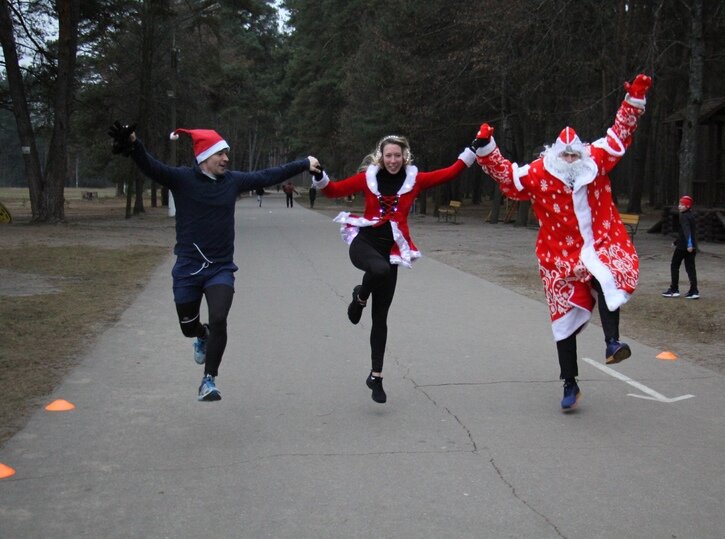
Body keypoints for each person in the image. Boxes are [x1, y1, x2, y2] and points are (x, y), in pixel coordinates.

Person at [472, 73, 652, 410]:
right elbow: (507, 176)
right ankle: (570, 383)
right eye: (565, 156)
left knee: (606, 275)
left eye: (574, 156)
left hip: (600, 241)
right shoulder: (539, 173)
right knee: (563, 320)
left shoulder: (596, 160)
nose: (570, 161)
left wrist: (634, 98)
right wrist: (486, 149)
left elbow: (621, 133)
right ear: (555, 155)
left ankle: (613, 342)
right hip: (557, 255)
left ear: (581, 153)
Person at [107, 121, 321, 401]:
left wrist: (303, 163)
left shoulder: (232, 181)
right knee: (187, 327)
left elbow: (268, 175)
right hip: (187, 267)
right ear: (204, 158)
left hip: (220, 268)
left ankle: (209, 380)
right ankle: (201, 334)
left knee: (219, 317)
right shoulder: (182, 179)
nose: (226, 159)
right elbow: (151, 166)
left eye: (226, 154)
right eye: (220, 154)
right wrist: (134, 144)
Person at [311, 135, 476, 403]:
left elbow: (449, 173)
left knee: (381, 317)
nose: (392, 160)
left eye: (397, 156)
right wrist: (320, 174)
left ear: (405, 156)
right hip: (364, 243)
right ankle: (360, 297)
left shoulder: (415, 180)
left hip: (393, 251)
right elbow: (333, 190)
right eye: (388, 156)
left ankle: (376, 376)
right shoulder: (368, 178)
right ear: (381, 156)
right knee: (379, 270)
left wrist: (473, 151)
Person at [662, 195, 699, 299]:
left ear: (687, 206)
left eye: (682, 204)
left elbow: (687, 232)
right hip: (689, 246)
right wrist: (676, 242)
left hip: (684, 247)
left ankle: (674, 290)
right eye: (679, 204)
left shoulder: (683, 217)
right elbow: (685, 232)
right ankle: (694, 291)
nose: (679, 206)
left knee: (674, 265)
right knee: (690, 268)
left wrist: (689, 244)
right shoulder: (691, 215)